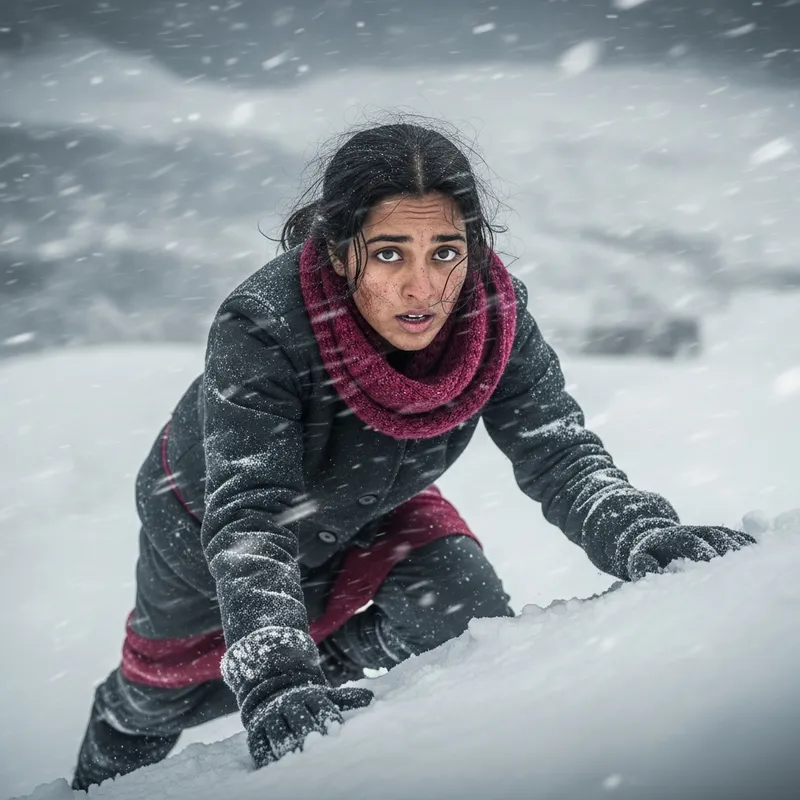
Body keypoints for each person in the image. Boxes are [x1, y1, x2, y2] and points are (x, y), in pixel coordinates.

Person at [70, 118, 756, 791]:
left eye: (446, 251)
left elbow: (558, 450)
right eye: (391, 253)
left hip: (375, 487)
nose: (424, 287)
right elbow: (253, 516)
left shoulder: (496, 319)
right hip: (205, 512)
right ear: (341, 252)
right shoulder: (262, 325)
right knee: (160, 692)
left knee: (462, 601)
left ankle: (327, 665)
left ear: (474, 247)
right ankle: (111, 744)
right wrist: (277, 677)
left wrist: (641, 532)